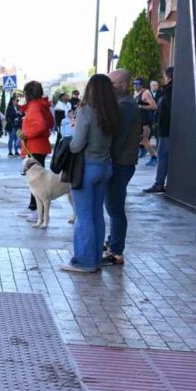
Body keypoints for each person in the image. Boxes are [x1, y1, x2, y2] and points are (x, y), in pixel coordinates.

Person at [62, 74, 118, 273]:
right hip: (105, 166)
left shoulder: (86, 110)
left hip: (87, 167)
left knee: (83, 216)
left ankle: (84, 262)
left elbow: (77, 145)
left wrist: (73, 133)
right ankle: (95, 258)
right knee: (97, 214)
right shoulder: (112, 111)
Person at [103, 70, 141, 267]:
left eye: (112, 84)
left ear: (124, 85)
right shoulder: (123, 104)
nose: (109, 88)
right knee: (113, 206)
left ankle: (116, 251)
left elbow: (119, 139)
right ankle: (113, 243)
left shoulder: (125, 106)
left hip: (120, 164)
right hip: (121, 163)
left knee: (115, 208)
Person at [18, 82, 54, 224]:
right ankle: (33, 207)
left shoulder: (34, 106)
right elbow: (50, 123)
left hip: (34, 146)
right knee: (37, 179)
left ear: (28, 93)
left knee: (36, 181)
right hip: (40, 145)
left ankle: (36, 210)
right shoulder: (42, 105)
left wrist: (26, 134)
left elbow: (41, 125)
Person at [143, 66, 174, 194]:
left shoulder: (169, 90)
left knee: (162, 156)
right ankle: (160, 183)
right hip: (165, 129)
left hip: (166, 130)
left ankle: (159, 184)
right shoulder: (168, 90)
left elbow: (167, 111)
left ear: (168, 77)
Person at [134, 78, 158, 165]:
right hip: (139, 120)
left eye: (137, 83)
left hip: (146, 120)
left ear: (141, 84)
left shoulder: (146, 93)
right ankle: (142, 149)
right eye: (134, 83)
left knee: (145, 140)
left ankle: (154, 157)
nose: (134, 85)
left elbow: (154, 106)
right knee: (137, 138)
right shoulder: (136, 93)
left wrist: (141, 106)